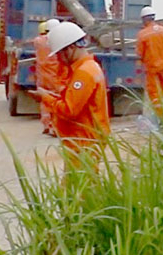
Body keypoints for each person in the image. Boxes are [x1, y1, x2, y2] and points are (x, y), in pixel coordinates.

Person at [26, 21, 109, 170]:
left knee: (79, 189)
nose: (58, 58)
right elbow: (74, 101)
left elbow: (69, 110)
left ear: (70, 48)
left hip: (84, 142)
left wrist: (45, 98)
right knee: (79, 188)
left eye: (59, 53)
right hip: (83, 141)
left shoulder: (84, 73)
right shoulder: (86, 68)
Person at [136, 6, 163, 118]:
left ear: (144, 19)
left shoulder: (142, 34)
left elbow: (140, 53)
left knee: (154, 93)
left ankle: (161, 117)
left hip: (151, 67)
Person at [32, 18, 65, 136]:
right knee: (56, 100)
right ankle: (55, 127)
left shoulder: (38, 41)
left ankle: (46, 125)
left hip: (42, 76)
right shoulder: (59, 40)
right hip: (56, 76)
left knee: (45, 99)